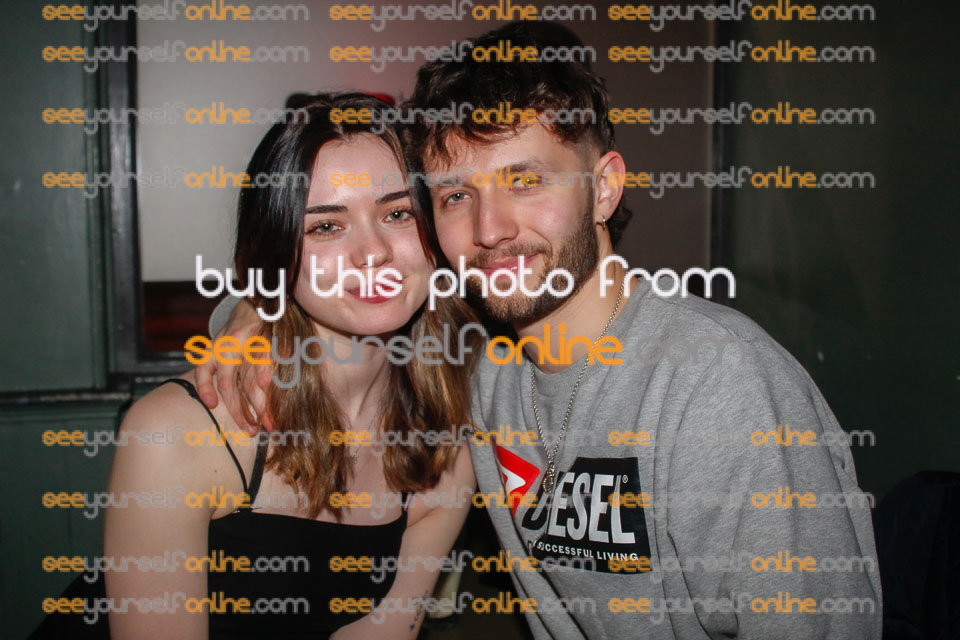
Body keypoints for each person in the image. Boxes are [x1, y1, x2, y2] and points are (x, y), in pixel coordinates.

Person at [202, 24, 882, 639]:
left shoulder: (718, 387)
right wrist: (250, 313)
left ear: (603, 189)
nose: (491, 229)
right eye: (456, 195)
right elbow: (336, 297)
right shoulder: (483, 366)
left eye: (524, 181)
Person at [34, 92, 480, 640]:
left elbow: (386, 631)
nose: (373, 253)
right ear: (275, 252)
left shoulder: (449, 434)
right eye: (325, 227)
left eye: (398, 213)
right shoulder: (177, 433)